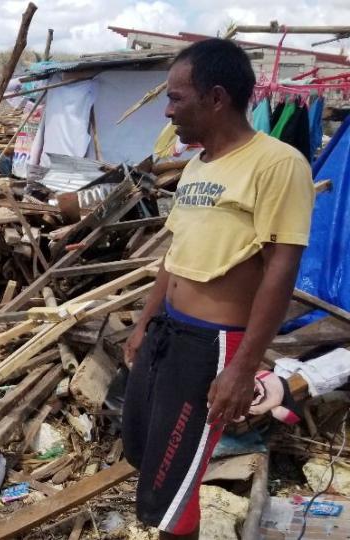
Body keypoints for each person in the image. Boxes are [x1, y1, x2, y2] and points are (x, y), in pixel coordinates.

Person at [122, 39, 314, 540]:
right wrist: (145, 322)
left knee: (175, 480)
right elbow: (175, 254)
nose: (167, 110)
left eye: (176, 98)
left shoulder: (277, 163)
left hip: (214, 343)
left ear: (216, 98)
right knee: (146, 455)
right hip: (169, 330)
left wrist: (243, 367)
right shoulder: (197, 166)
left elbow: (280, 269)